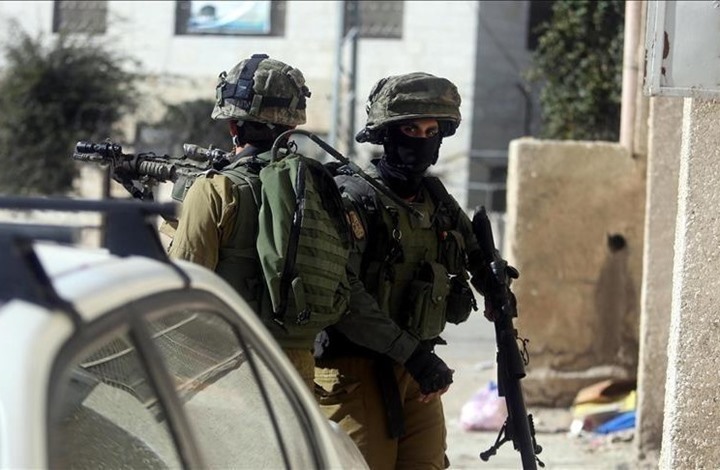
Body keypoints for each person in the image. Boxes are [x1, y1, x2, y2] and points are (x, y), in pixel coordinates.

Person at [314, 72, 489, 469]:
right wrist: (414, 357)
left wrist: (494, 286)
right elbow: (344, 293)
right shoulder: (353, 196)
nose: (421, 140)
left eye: (431, 131)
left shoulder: (435, 199)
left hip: (415, 372)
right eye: (410, 129)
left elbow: (473, 251)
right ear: (387, 135)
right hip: (354, 371)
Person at [168, 53, 321, 386]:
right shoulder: (317, 184)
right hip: (297, 362)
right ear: (293, 126)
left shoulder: (217, 188)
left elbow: (182, 289)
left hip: (230, 364)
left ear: (233, 126)